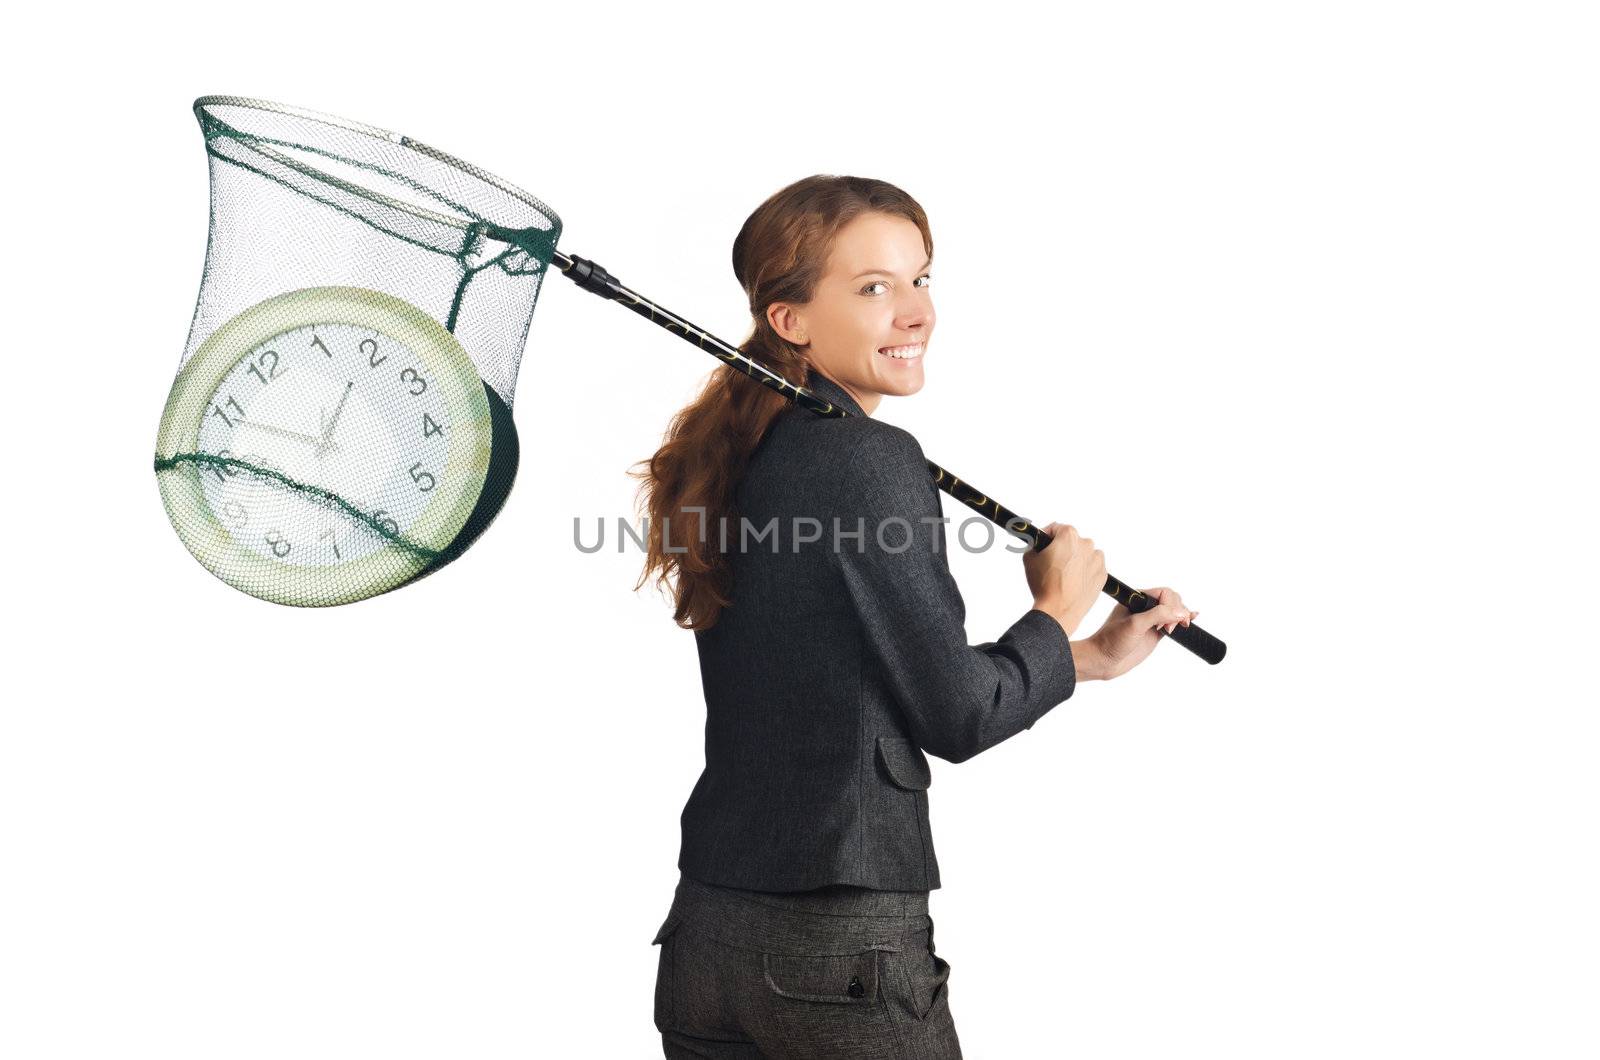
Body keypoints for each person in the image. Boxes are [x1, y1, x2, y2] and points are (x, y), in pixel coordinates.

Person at [632, 175, 1196, 1059]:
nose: (916, 312)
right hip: (838, 952)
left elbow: (865, 670)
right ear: (791, 320)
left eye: (921, 279)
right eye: (873, 288)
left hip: (709, 940)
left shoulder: (737, 453)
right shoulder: (870, 458)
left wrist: (1085, 654)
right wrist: (1051, 606)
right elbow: (960, 717)